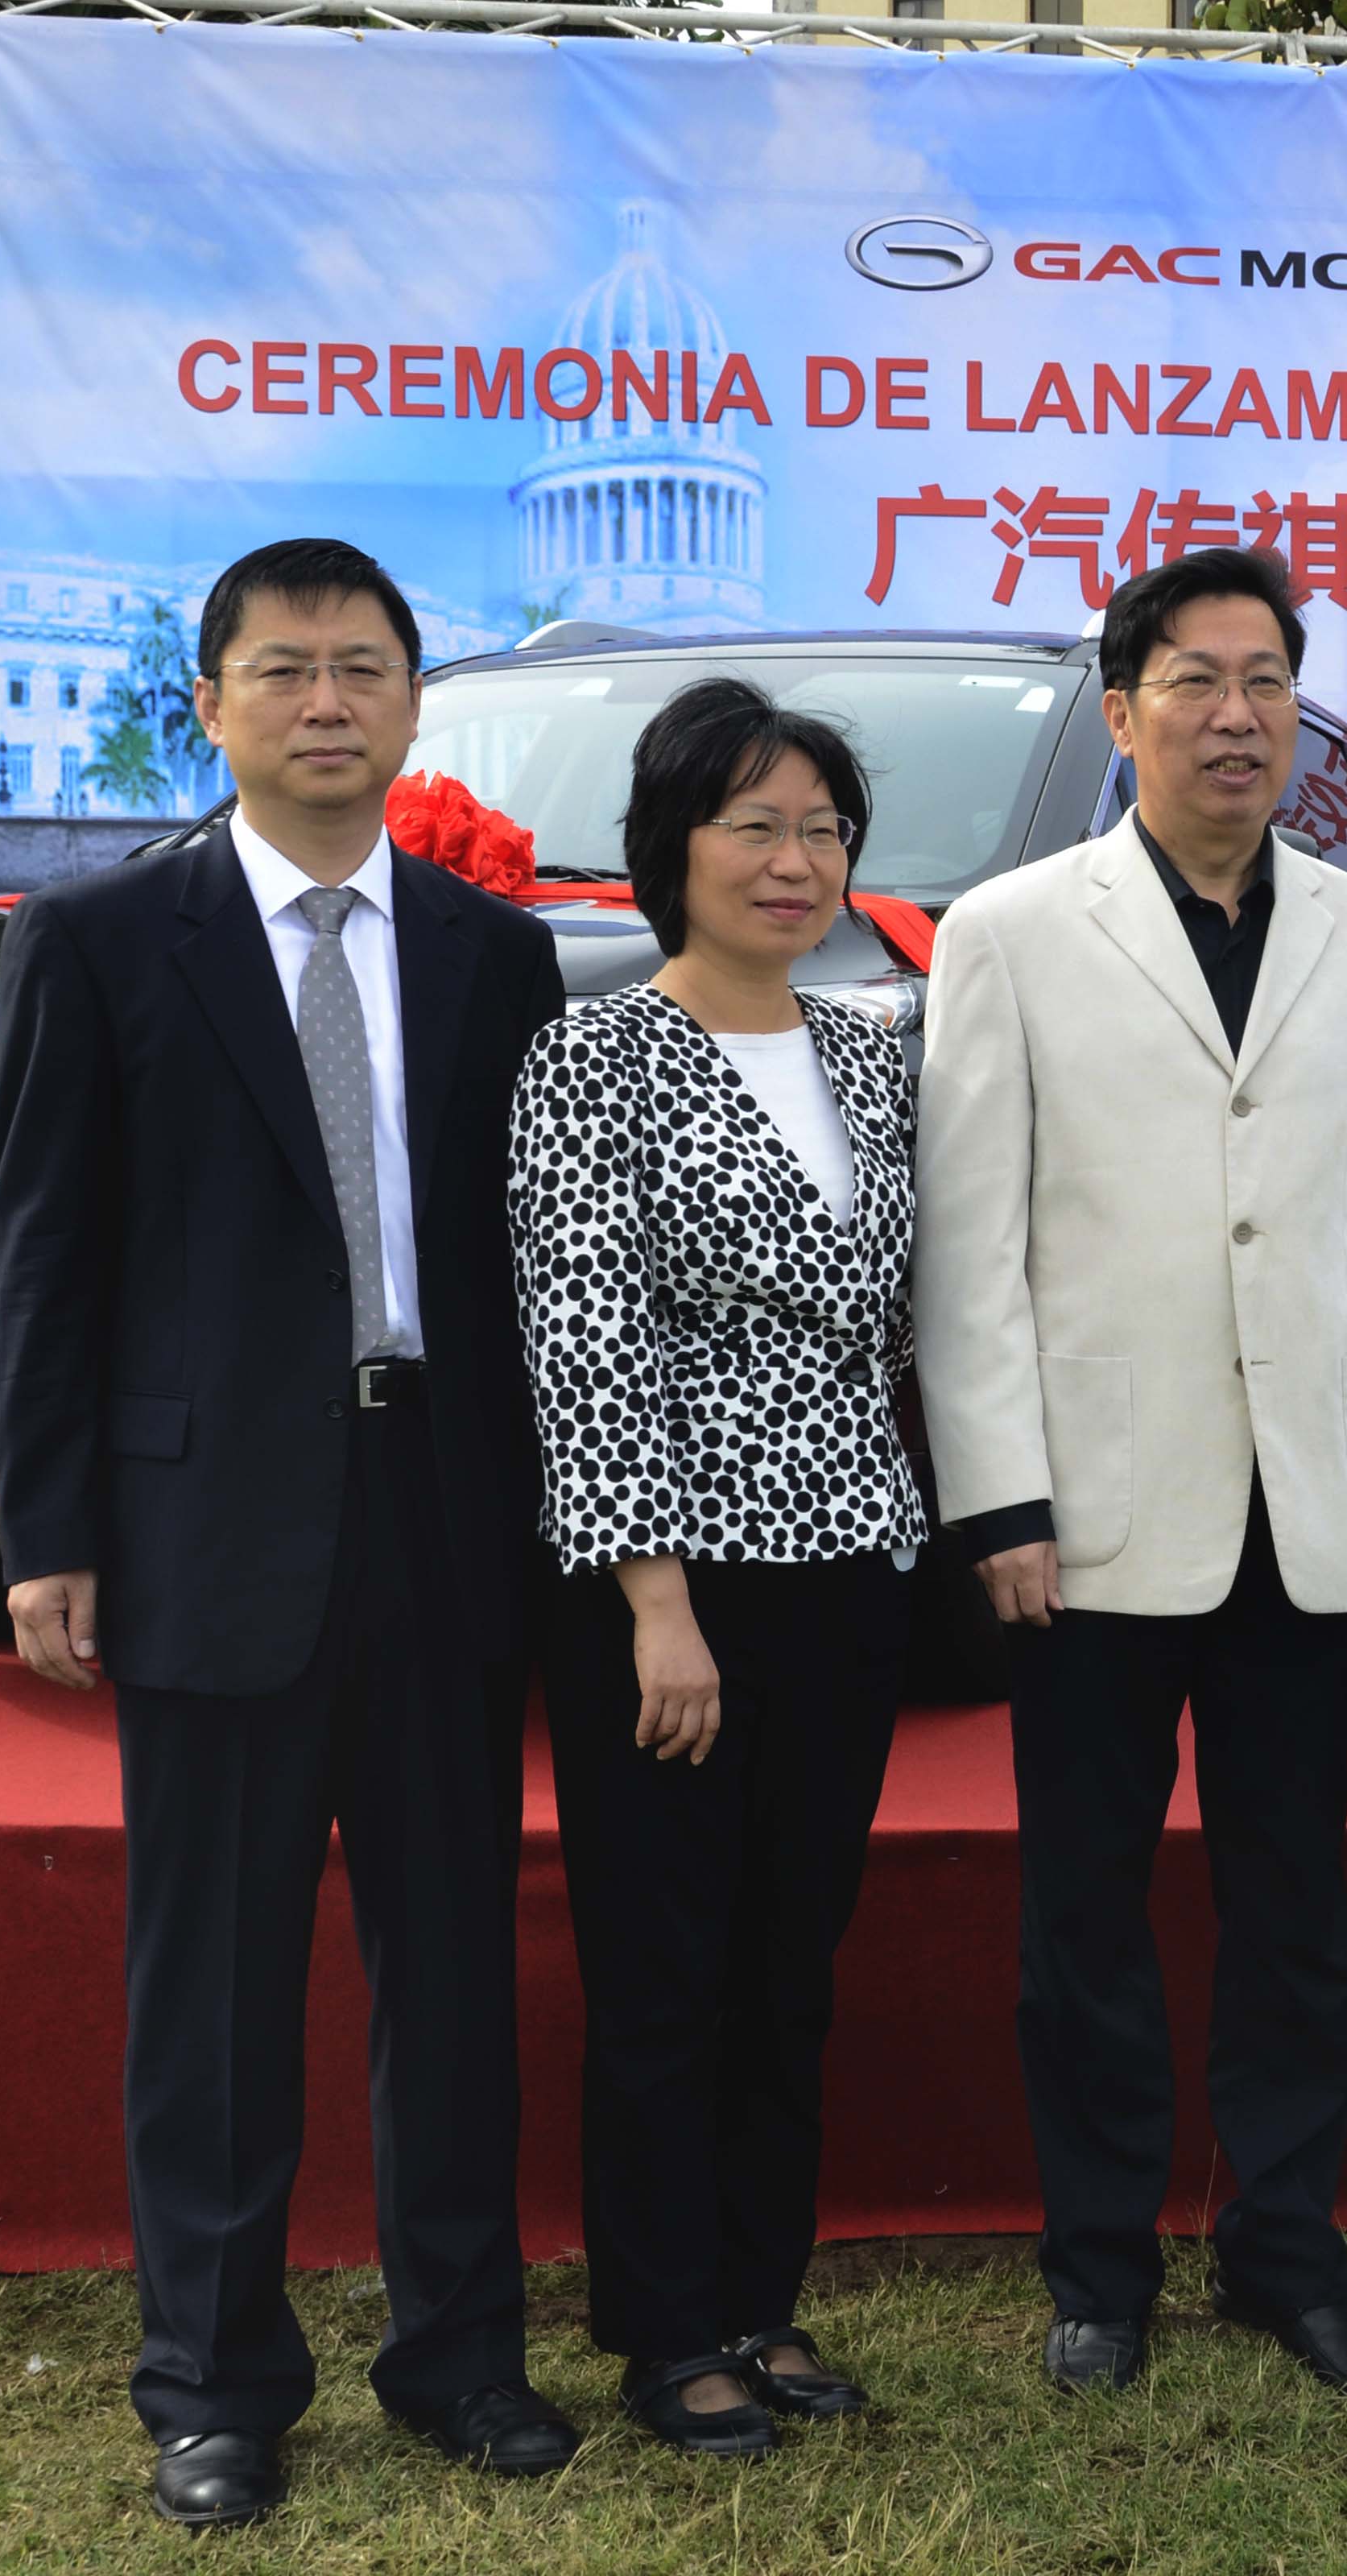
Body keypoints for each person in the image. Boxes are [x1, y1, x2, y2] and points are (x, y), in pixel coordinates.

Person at [0, 539, 573, 2527]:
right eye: (284, 671)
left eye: (363, 671)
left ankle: (460, 2355)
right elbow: (48, 1257)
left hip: (442, 1509)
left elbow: (526, 1270)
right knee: (216, 1987)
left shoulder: (492, 954)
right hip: (206, 1525)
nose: (327, 704)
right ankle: (213, 2382)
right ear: (216, 703)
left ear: (415, 707)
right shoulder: (101, 943)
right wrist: (48, 1529)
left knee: (453, 1972)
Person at [913, 545, 1347, 2400]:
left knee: (1294, 1914)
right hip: (1086, 1515)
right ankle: (1099, 2267)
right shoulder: (1008, 930)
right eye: (1196, 681)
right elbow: (968, 1246)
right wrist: (998, 1500)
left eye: (1265, 681)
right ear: (1125, 704)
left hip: (1304, 1516)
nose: (1235, 716)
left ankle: (1285, 2252)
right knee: (1086, 1923)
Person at [510, 679, 928, 2456]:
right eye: (753, 822)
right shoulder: (590, 1055)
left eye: (823, 825)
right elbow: (585, 1335)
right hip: (668, 1593)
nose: (794, 858)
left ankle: (760, 2302)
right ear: (669, 845)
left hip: (849, 1564)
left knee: (789, 1958)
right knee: (666, 1967)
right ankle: (664, 2327)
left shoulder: (871, 1049)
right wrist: (655, 1605)